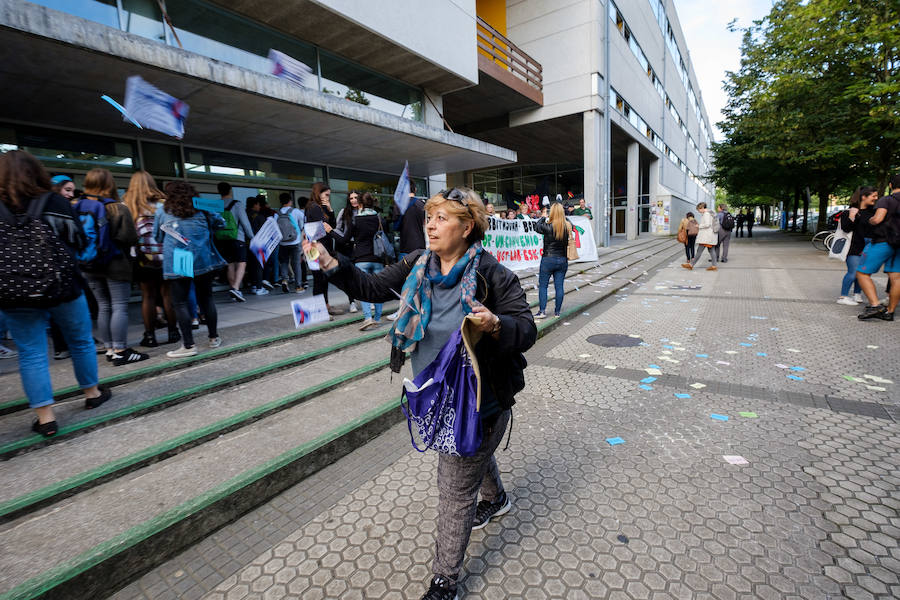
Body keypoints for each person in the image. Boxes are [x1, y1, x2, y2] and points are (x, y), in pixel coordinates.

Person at [307, 187, 535, 600]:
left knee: (454, 488)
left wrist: (496, 324)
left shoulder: (492, 274)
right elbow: (371, 287)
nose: (430, 225)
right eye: (429, 217)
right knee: (473, 454)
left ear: (467, 227)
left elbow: (527, 329)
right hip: (435, 394)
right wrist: (331, 264)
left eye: (441, 218)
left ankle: (444, 581)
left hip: (480, 401)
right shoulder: (418, 264)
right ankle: (497, 498)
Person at [0, 150, 111, 437]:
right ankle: (92, 394)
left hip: (13, 292)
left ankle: (46, 418)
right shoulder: (54, 201)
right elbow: (79, 239)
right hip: (62, 286)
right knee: (81, 341)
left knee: (31, 352)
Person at [76, 168, 146, 366]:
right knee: (119, 306)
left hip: (88, 264)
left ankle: (109, 349)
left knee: (103, 306)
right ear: (109, 184)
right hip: (115, 264)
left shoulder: (77, 206)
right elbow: (129, 237)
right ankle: (121, 351)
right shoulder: (117, 208)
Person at [155, 181, 227, 357]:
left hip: (180, 257)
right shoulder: (202, 208)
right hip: (202, 257)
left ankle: (188, 345)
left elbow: (157, 236)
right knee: (206, 298)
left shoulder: (163, 211)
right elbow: (221, 224)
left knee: (180, 303)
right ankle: (213, 338)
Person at [123, 170, 178, 347]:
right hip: (166, 256)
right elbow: (174, 230)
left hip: (143, 258)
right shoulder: (164, 204)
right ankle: (173, 332)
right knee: (167, 295)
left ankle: (150, 336)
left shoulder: (128, 205)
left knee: (148, 296)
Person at [326, 192, 388, 330]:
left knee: (363, 289)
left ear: (360, 204)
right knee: (378, 289)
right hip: (378, 258)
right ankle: (378, 318)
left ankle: (368, 318)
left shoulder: (355, 221)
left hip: (361, 258)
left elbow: (343, 240)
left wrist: (330, 231)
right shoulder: (379, 219)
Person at [856, 174, 900, 320]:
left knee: (862, 273)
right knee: (896, 278)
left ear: (890, 185)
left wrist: (871, 220)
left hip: (883, 241)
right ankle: (890, 312)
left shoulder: (886, 200)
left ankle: (875, 306)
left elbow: (878, 219)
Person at [307, 182, 344, 315]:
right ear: (319, 193)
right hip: (317, 248)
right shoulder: (314, 207)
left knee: (323, 278)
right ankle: (320, 310)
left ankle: (326, 306)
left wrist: (330, 209)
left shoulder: (319, 207)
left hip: (319, 247)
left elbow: (331, 226)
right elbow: (324, 227)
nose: (328, 197)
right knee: (319, 279)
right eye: (326, 195)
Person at [837, 186, 877, 305]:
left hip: (869, 246)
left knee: (862, 272)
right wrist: (852, 217)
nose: (876, 198)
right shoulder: (849, 212)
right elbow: (846, 229)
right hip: (854, 246)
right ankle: (843, 297)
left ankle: (857, 293)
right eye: (873, 196)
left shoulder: (874, 212)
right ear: (864, 197)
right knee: (853, 272)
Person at [533, 202, 572, 319]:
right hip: (562, 260)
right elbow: (569, 222)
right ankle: (557, 312)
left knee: (543, 286)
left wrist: (543, 216)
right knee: (559, 286)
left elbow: (536, 227)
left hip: (548, 259)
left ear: (552, 213)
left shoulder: (547, 226)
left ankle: (542, 311)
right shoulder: (567, 226)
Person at [217, 182, 254, 302]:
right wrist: (252, 237)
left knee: (230, 265)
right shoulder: (237, 204)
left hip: (222, 239)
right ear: (230, 191)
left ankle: (234, 290)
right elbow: (245, 223)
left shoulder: (216, 205)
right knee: (242, 263)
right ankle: (236, 288)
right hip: (237, 238)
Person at [335, 190, 360, 312]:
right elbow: (337, 228)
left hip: (361, 246)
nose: (354, 200)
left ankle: (368, 300)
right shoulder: (344, 212)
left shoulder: (364, 211)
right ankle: (352, 301)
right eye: (351, 198)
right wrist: (345, 239)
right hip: (347, 247)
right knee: (349, 276)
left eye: (356, 197)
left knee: (362, 274)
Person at [276, 193, 306, 294]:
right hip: (295, 241)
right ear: (290, 201)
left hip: (282, 242)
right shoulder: (295, 211)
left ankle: (284, 279)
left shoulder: (277, 214)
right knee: (296, 264)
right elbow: (303, 222)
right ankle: (298, 286)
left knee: (284, 262)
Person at [682, 202, 718, 270]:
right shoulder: (710, 213)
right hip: (710, 236)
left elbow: (707, 224)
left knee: (699, 250)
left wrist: (699, 226)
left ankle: (691, 265)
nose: (698, 211)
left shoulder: (706, 214)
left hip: (706, 236)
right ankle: (714, 266)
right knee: (711, 250)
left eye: (699, 209)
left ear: (702, 208)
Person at [397, 180, 427, 260]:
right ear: (415, 189)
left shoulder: (400, 205)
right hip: (420, 246)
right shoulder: (422, 204)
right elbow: (425, 224)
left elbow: (395, 227)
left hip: (405, 247)